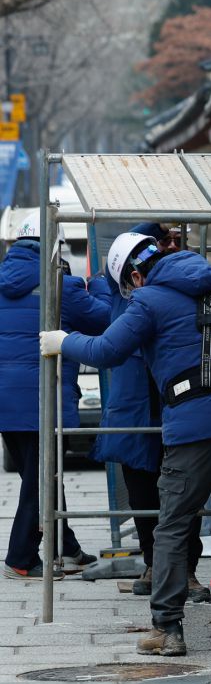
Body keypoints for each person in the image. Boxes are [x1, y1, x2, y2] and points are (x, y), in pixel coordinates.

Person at [41, 233, 211, 657]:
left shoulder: (149, 300)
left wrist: (63, 342)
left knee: (171, 525)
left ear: (135, 276)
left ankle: (167, 627)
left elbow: (107, 350)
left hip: (193, 429)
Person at [88, 224, 208, 602]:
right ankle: (154, 563)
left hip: (174, 405)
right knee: (142, 493)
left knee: (183, 493)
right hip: (133, 412)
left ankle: (187, 569)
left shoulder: (172, 288)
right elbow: (122, 250)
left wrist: (159, 240)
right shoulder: (119, 292)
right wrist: (154, 227)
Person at [1, 210, 108, 579]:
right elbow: (105, 320)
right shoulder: (60, 286)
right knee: (41, 478)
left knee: (41, 475)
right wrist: (99, 285)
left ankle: (67, 546)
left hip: (5, 402)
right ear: (53, 247)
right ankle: (20, 558)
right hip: (43, 401)